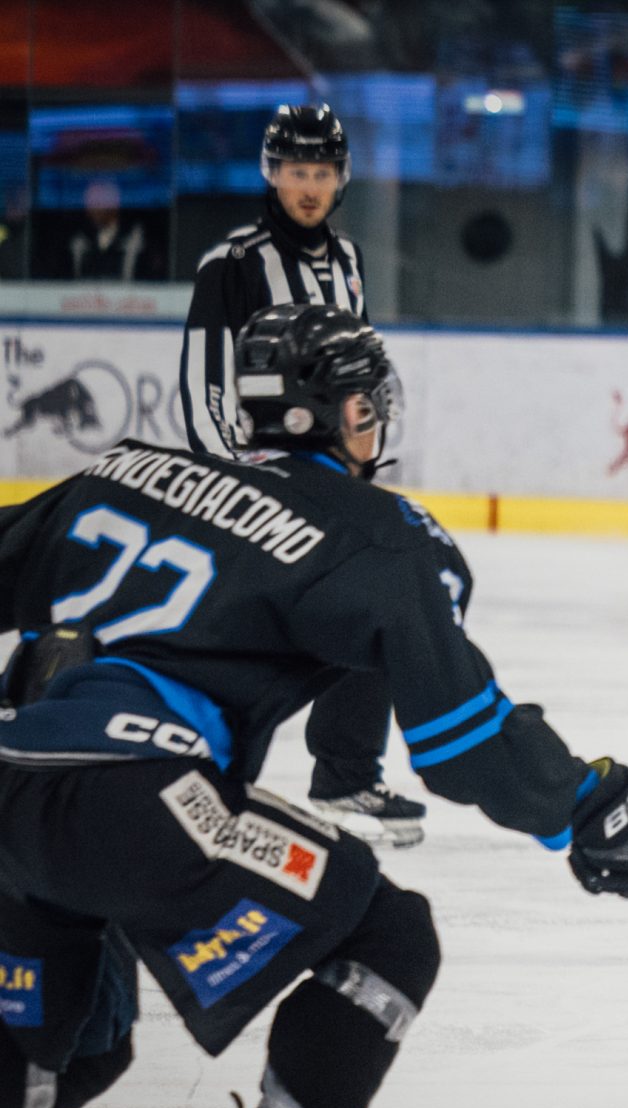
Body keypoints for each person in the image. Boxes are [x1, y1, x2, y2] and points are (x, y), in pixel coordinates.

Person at [0, 304, 628, 1108]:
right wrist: (587, 803)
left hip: (15, 786)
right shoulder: (377, 534)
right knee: (388, 933)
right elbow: (460, 737)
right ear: (351, 411)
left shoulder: (129, 471)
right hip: (140, 798)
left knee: (64, 1057)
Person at [180, 102, 435, 848]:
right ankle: (200, 774)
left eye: (321, 172)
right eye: (296, 171)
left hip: (334, 479)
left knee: (381, 595)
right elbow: (205, 386)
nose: (309, 186)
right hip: (260, 488)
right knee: (240, 645)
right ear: (272, 173)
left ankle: (347, 775)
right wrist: (234, 479)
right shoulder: (231, 264)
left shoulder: (349, 261)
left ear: (341, 177)